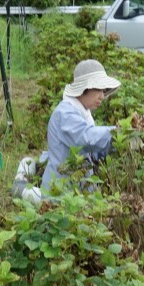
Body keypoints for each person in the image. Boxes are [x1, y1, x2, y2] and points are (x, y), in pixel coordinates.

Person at [40, 59, 121, 193]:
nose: (102, 96)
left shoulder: (83, 113)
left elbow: (93, 151)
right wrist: (120, 133)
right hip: (60, 193)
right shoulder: (65, 114)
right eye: (98, 89)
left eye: (104, 90)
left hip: (77, 189)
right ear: (83, 89)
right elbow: (86, 138)